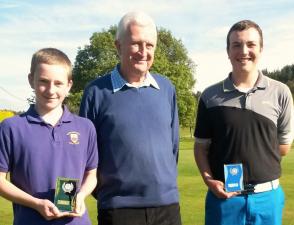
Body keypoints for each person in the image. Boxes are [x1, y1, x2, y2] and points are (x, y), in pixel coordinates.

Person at [79, 11, 181, 225]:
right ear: (118, 46)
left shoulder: (166, 88)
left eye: (149, 45)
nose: (143, 52)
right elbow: (86, 155)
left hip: (167, 207)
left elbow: (173, 147)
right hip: (118, 210)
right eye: (135, 44)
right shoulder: (96, 92)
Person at [194, 20, 293, 225]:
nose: (244, 51)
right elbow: (201, 147)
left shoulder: (280, 92)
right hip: (224, 201)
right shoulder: (210, 96)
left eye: (251, 44)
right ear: (228, 50)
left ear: (261, 48)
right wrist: (208, 179)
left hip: (268, 200)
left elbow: (283, 146)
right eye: (236, 45)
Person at [0, 48, 98, 225]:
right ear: (31, 80)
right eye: (44, 81)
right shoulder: (11, 127)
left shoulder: (85, 127)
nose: (51, 90)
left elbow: (91, 174)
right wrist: (36, 204)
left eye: (58, 83)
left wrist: (81, 196)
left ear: (69, 85)